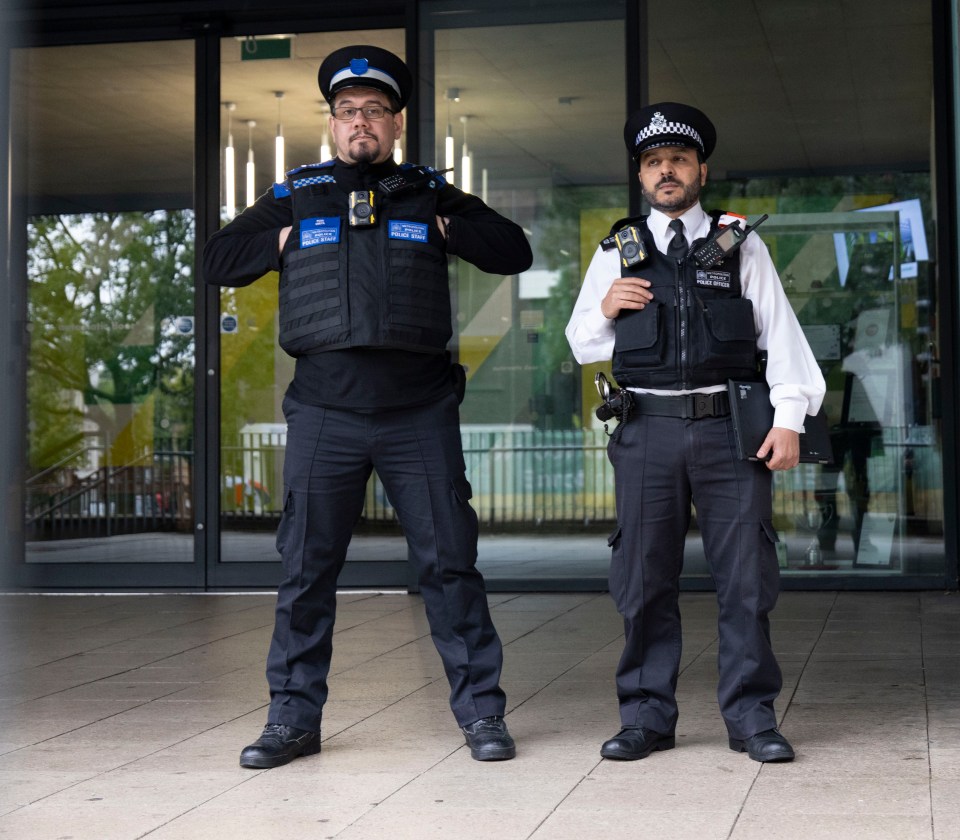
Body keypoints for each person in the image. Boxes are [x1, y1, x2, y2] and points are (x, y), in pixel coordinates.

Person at [203, 45, 532, 769]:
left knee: (450, 565)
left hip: (418, 411)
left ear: (396, 123)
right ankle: (292, 721)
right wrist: (282, 239)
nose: (361, 122)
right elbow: (216, 259)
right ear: (331, 123)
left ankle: (481, 713)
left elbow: (514, 251)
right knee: (306, 570)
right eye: (348, 111)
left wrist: (450, 229)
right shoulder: (299, 192)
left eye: (375, 111)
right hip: (325, 411)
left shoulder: (426, 190)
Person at [565, 102, 825, 763]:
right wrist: (604, 306)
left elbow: (781, 337)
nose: (666, 171)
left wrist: (790, 419)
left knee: (745, 578)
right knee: (644, 578)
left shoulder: (741, 244)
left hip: (728, 433)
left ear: (700, 169)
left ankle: (751, 718)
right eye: (654, 163)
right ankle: (646, 718)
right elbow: (581, 343)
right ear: (643, 176)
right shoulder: (618, 250)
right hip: (646, 428)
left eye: (678, 159)